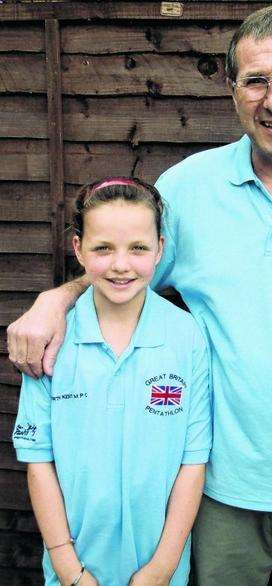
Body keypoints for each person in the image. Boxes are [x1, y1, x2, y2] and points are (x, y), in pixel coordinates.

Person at [8, 4, 272, 585]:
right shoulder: (187, 190)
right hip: (216, 489)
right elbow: (124, 270)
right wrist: (55, 299)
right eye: (256, 81)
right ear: (232, 90)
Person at [12, 177, 211, 586]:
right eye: (103, 248)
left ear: (159, 247)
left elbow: (194, 461)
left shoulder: (186, 335)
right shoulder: (51, 338)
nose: (121, 264)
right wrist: (68, 567)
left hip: (161, 570)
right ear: (79, 249)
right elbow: (38, 459)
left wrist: (162, 567)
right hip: (74, 569)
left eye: (138, 248)